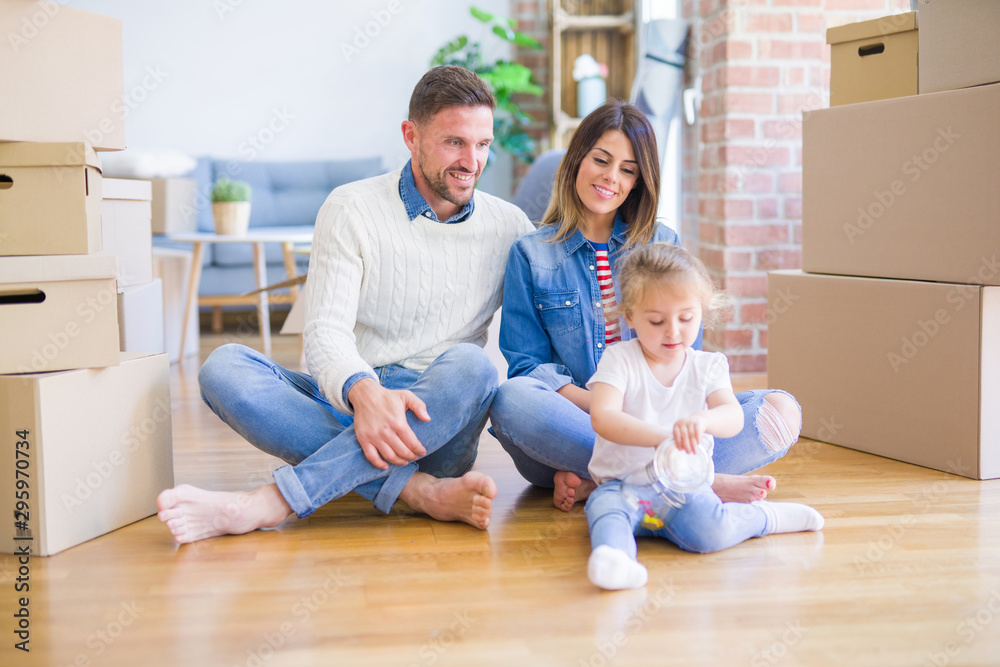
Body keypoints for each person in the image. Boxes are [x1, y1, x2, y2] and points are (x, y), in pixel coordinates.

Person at [156, 66, 533, 544]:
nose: (472, 161)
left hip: (435, 420)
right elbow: (326, 332)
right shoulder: (351, 208)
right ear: (410, 136)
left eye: (483, 144)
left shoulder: (511, 226)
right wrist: (365, 392)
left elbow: (543, 332)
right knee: (223, 367)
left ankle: (270, 502)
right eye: (454, 142)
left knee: (474, 366)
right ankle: (418, 493)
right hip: (354, 402)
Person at [488, 100, 803, 511]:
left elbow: (688, 352)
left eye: (628, 169)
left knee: (783, 410)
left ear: (640, 179)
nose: (610, 177)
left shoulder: (662, 243)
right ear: (577, 159)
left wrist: (665, 419)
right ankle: (690, 477)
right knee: (513, 399)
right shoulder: (530, 253)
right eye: (601, 159)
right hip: (581, 423)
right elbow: (529, 368)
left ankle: (615, 481)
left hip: (667, 415)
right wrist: (616, 410)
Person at [585, 242, 824, 590]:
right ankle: (616, 559)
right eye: (656, 320)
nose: (673, 332)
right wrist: (662, 435)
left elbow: (733, 416)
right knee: (604, 511)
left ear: (702, 311)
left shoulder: (708, 366)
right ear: (630, 316)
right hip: (623, 486)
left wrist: (703, 421)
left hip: (686, 488)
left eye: (686, 318)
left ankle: (762, 518)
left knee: (711, 532)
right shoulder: (620, 359)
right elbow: (603, 417)